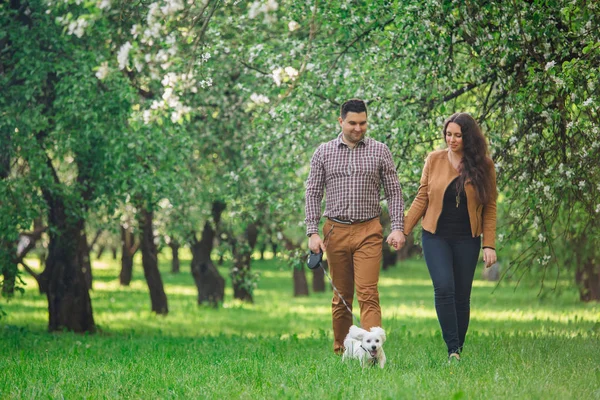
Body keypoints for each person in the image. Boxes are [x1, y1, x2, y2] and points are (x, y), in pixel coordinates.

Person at [305, 99, 405, 354]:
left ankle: (373, 353)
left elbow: (394, 192)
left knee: (368, 293)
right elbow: (313, 192)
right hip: (334, 232)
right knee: (341, 297)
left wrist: (397, 226)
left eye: (363, 123)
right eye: (352, 123)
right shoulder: (324, 152)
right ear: (341, 121)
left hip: (368, 231)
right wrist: (312, 232)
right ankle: (343, 350)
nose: (358, 128)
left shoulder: (380, 150)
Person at [400, 112, 497, 362]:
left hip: (467, 238)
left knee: (462, 296)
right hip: (436, 236)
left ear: (468, 137)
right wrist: (403, 229)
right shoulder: (434, 159)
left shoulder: (484, 165)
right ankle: (452, 349)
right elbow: (422, 197)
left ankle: (458, 349)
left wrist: (488, 244)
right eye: (448, 134)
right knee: (444, 287)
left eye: (457, 135)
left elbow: (490, 206)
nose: (451, 140)